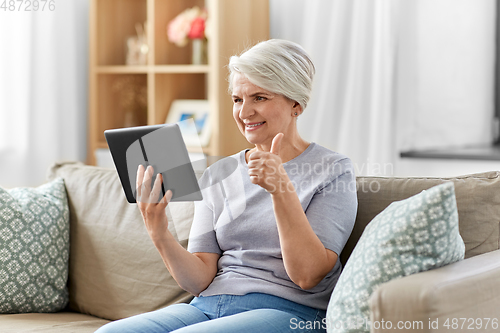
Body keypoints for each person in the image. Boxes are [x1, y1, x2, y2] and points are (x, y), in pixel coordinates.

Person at [96, 39, 358, 333]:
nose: (244, 113)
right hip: (208, 306)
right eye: (237, 99)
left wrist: (280, 189)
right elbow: (200, 279)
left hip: (289, 311)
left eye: (259, 97)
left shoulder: (332, 170)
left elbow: (307, 275)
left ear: (295, 103)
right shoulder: (219, 174)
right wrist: (159, 233)